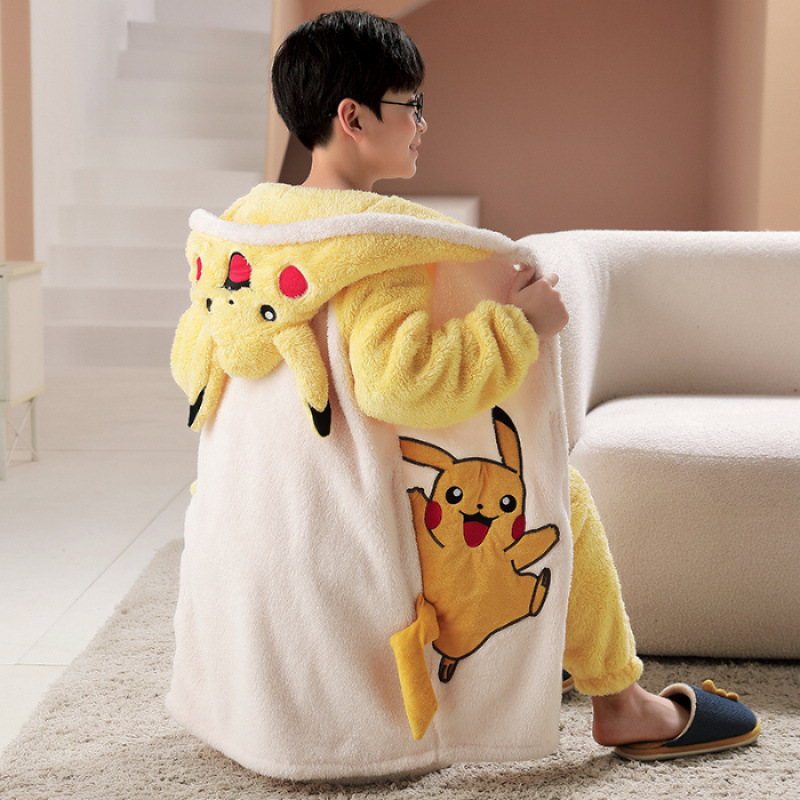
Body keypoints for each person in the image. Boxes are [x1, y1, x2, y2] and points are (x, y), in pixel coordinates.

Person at [167, 9, 759, 781]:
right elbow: (406, 383)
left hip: (260, 536)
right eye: (410, 105)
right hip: (350, 547)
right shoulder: (374, 241)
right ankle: (624, 703)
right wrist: (520, 324)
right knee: (550, 495)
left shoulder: (246, 232)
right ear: (352, 118)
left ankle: (554, 662)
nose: (422, 124)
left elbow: (194, 367)